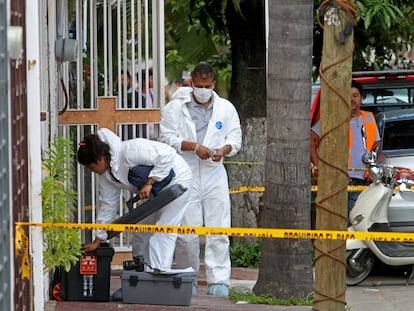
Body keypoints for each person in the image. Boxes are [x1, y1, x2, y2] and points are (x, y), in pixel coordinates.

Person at [159, 63, 242, 297]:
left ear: (213, 84)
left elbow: (235, 138)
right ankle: (188, 277)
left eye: (208, 86)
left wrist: (223, 150)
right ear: (191, 84)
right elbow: (166, 138)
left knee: (219, 230)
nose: (204, 90)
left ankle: (219, 282)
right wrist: (194, 147)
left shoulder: (225, 108)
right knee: (187, 233)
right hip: (186, 174)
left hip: (215, 174)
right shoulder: (175, 108)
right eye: (200, 86)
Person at [78, 128, 193, 272]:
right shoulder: (106, 176)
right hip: (155, 191)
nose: (91, 171)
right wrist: (98, 240)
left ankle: (159, 274)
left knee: (164, 229)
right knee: (141, 233)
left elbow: (167, 154)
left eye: (91, 166)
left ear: (100, 158)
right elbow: (108, 206)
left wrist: (150, 182)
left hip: (178, 182)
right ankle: (141, 275)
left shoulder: (130, 150)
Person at [310, 80, 381, 220]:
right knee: (342, 221)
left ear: (361, 98)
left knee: (354, 221)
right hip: (336, 180)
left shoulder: (369, 118)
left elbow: (376, 143)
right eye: (347, 95)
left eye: (355, 95)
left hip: (362, 181)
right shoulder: (332, 118)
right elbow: (311, 139)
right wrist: (318, 165)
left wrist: (372, 161)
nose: (351, 99)